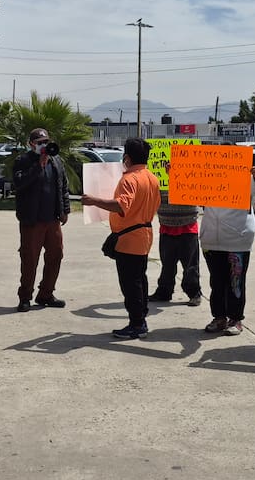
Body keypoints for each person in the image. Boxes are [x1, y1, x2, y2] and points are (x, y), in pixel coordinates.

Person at [81, 138, 161, 339]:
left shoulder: (129, 179)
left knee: (130, 283)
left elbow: (121, 205)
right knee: (139, 280)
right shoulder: (152, 178)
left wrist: (93, 201)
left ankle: (137, 324)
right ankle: (140, 318)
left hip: (129, 238)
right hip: (144, 235)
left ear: (127, 157)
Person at [11, 128, 70, 311]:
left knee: (56, 255)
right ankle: (25, 297)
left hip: (52, 219)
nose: (44, 145)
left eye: (46, 142)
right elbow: (19, 184)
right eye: (40, 143)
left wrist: (65, 210)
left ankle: (46, 294)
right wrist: (38, 166)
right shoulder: (23, 161)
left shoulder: (56, 160)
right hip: (32, 220)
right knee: (29, 259)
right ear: (31, 144)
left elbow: (63, 185)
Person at [199, 163, 255, 336]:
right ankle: (219, 317)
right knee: (216, 282)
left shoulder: (248, 178)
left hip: (238, 239)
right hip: (212, 238)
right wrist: (176, 175)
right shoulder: (204, 178)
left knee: (236, 282)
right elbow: (189, 194)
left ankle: (235, 318)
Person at [149, 192, 202, 307]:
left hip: (188, 225)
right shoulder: (159, 179)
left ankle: (194, 293)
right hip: (166, 224)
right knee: (167, 264)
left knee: (190, 265)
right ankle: (164, 292)